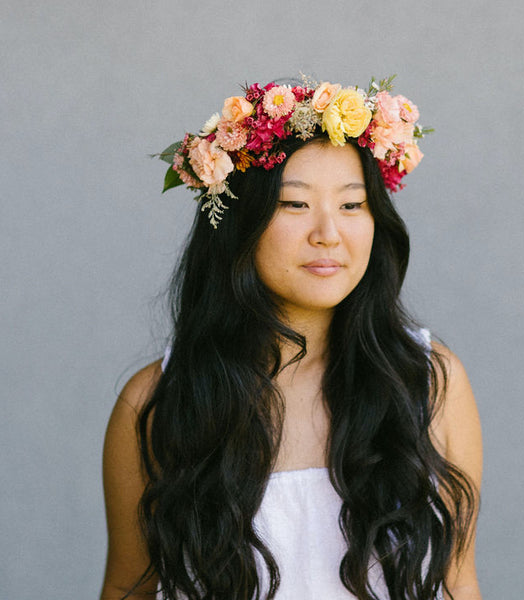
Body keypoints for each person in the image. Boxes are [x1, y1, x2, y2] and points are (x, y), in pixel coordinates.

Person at [100, 77, 482, 600]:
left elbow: (458, 583)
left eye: (353, 205)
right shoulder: (159, 400)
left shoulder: (429, 381)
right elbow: (128, 587)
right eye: (294, 205)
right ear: (238, 222)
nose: (329, 232)